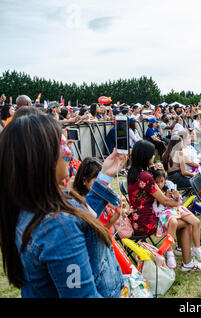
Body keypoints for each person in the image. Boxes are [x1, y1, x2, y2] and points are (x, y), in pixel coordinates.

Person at [0, 114, 128, 297]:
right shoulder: (58, 226)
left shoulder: (29, 205)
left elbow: (81, 213)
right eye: (63, 144)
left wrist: (105, 175)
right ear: (44, 157)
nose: (69, 150)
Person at [127, 140, 201, 271]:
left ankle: (181, 250)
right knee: (186, 224)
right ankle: (187, 262)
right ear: (145, 157)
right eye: (152, 155)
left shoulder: (133, 173)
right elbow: (164, 200)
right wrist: (178, 202)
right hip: (148, 221)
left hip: (136, 219)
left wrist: (157, 170)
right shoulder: (146, 177)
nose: (154, 157)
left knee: (179, 220)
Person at [152, 170, 201, 269]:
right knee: (176, 222)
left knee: (196, 221)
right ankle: (170, 252)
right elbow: (158, 208)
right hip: (165, 213)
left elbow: (179, 202)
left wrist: (176, 197)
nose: (160, 184)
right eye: (157, 182)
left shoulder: (169, 187)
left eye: (161, 181)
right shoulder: (154, 192)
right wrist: (166, 199)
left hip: (176, 209)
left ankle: (197, 249)